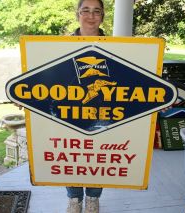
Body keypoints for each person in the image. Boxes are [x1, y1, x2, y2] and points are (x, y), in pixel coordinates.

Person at [67, 1, 105, 213]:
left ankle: (92, 198)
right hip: (69, 110)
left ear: (102, 16)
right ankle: (74, 200)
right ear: (77, 14)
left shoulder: (118, 46)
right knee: (70, 154)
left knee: (99, 155)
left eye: (96, 11)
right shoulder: (59, 46)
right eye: (86, 11)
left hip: (103, 111)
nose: (91, 16)